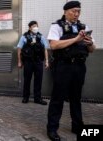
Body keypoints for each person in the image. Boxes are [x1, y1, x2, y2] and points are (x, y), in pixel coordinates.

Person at [46, 1, 96, 141]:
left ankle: (77, 126)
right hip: (63, 66)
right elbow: (54, 45)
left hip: (79, 67)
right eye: (74, 11)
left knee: (76, 98)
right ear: (65, 11)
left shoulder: (83, 27)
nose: (76, 14)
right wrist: (76, 39)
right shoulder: (57, 26)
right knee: (58, 99)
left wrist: (90, 43)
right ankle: (52, 129)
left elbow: (91, 50)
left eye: (78, 11)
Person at [17, 21, 49, 105]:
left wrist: (47, 61)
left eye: (37, 26)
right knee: (27, 80)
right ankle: (25, 97)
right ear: (30, 27)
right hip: (28, 62)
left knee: (38, 80)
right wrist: (19, 61)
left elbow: (45, 49)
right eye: (34, 26)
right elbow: (19, 49)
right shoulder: (24, 37)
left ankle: (37, 98)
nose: (36, 28)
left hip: (38, 61)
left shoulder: (40, 36)